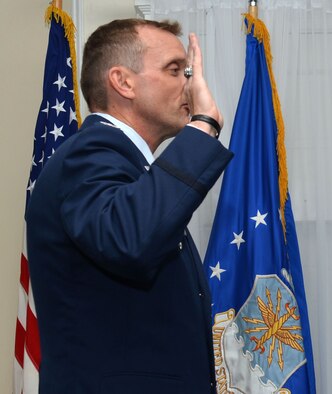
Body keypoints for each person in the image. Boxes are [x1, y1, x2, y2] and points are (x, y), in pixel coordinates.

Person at [26, 19, 233, 393]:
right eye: (175, 70)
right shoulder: (89, 154)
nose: (190, 83)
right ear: (123, 82)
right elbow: (130, 238)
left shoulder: (135, 171)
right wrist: (202, 126)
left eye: (188, 71)